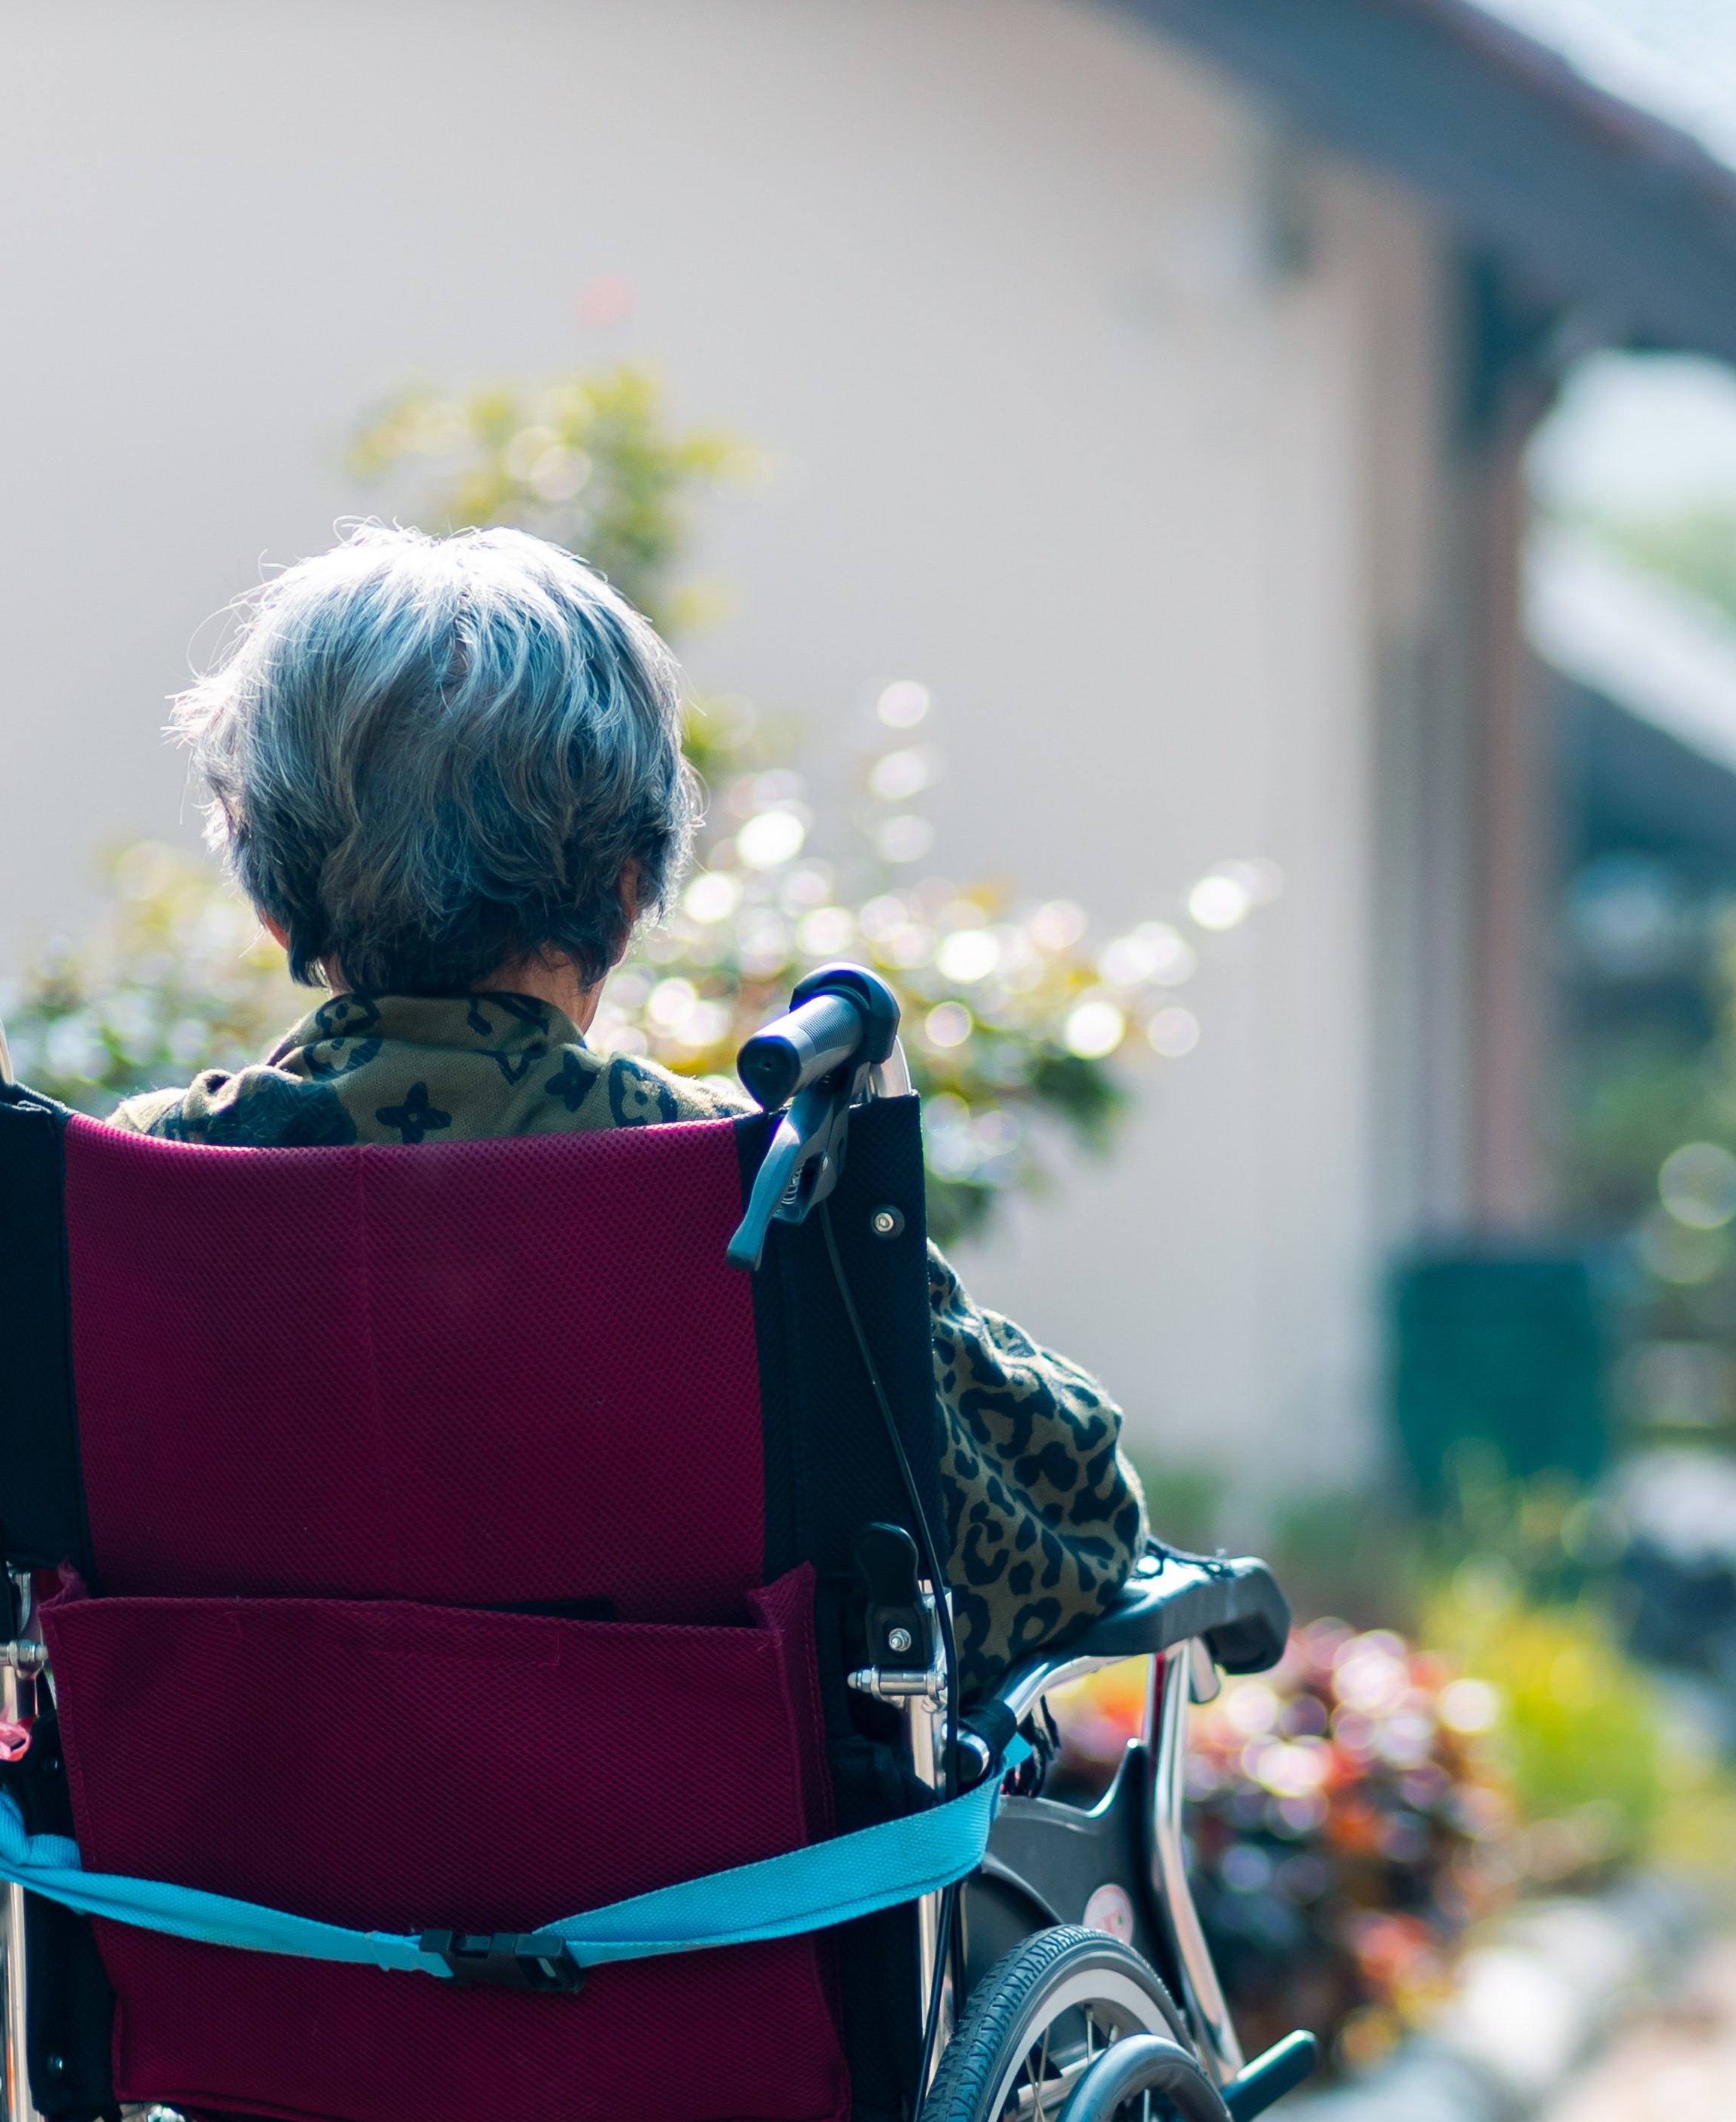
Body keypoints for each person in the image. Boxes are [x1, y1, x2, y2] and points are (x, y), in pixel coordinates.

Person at [105, 521, 1149, 1691]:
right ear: (629, 883)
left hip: (229, 1855)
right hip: (699, 1858)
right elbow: (1065, 1535)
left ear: (274, 904)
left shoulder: (132, 1193)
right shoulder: (748, 1179)